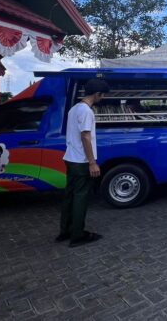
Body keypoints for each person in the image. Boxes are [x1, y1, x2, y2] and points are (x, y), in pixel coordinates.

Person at [56, 78, 109, 248]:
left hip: (70, 158)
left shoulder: (74, 109)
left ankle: (65, 230)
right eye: (102, 95)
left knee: (69, 196)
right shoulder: (87, 111)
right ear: (97, 94)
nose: (103, 98)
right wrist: (92, 163)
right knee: (81, 197)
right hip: (81, 161)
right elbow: (85, 136)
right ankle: (77, 235)